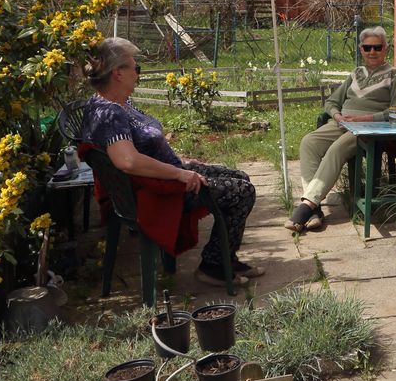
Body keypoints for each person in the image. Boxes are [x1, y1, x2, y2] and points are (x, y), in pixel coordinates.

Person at [80, 37, 263, 286]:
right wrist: (180, 174)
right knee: (242, 191)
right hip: (155, 192)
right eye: (136, 68)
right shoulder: (108, 113)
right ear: (118, 73)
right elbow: (127, 161)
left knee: (240, 176)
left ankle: (223, 257)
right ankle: (214, 266)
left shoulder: (117, 105)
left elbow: (144, 148)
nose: (138, 74)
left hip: (162, 176)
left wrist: (182, 161)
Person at [286, 26, 396, 233]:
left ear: (386, 48)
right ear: (361, 49)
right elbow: (332, 101)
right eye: (367, 48)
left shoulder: (394, 75)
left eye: (377, 47)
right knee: (308, 142)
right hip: (342, 123)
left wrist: (364, 118)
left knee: (336, 149)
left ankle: (307, 205)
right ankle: (314, 209)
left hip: (368, 128)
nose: (372, 52)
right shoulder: (356, 74)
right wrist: (338, 116)